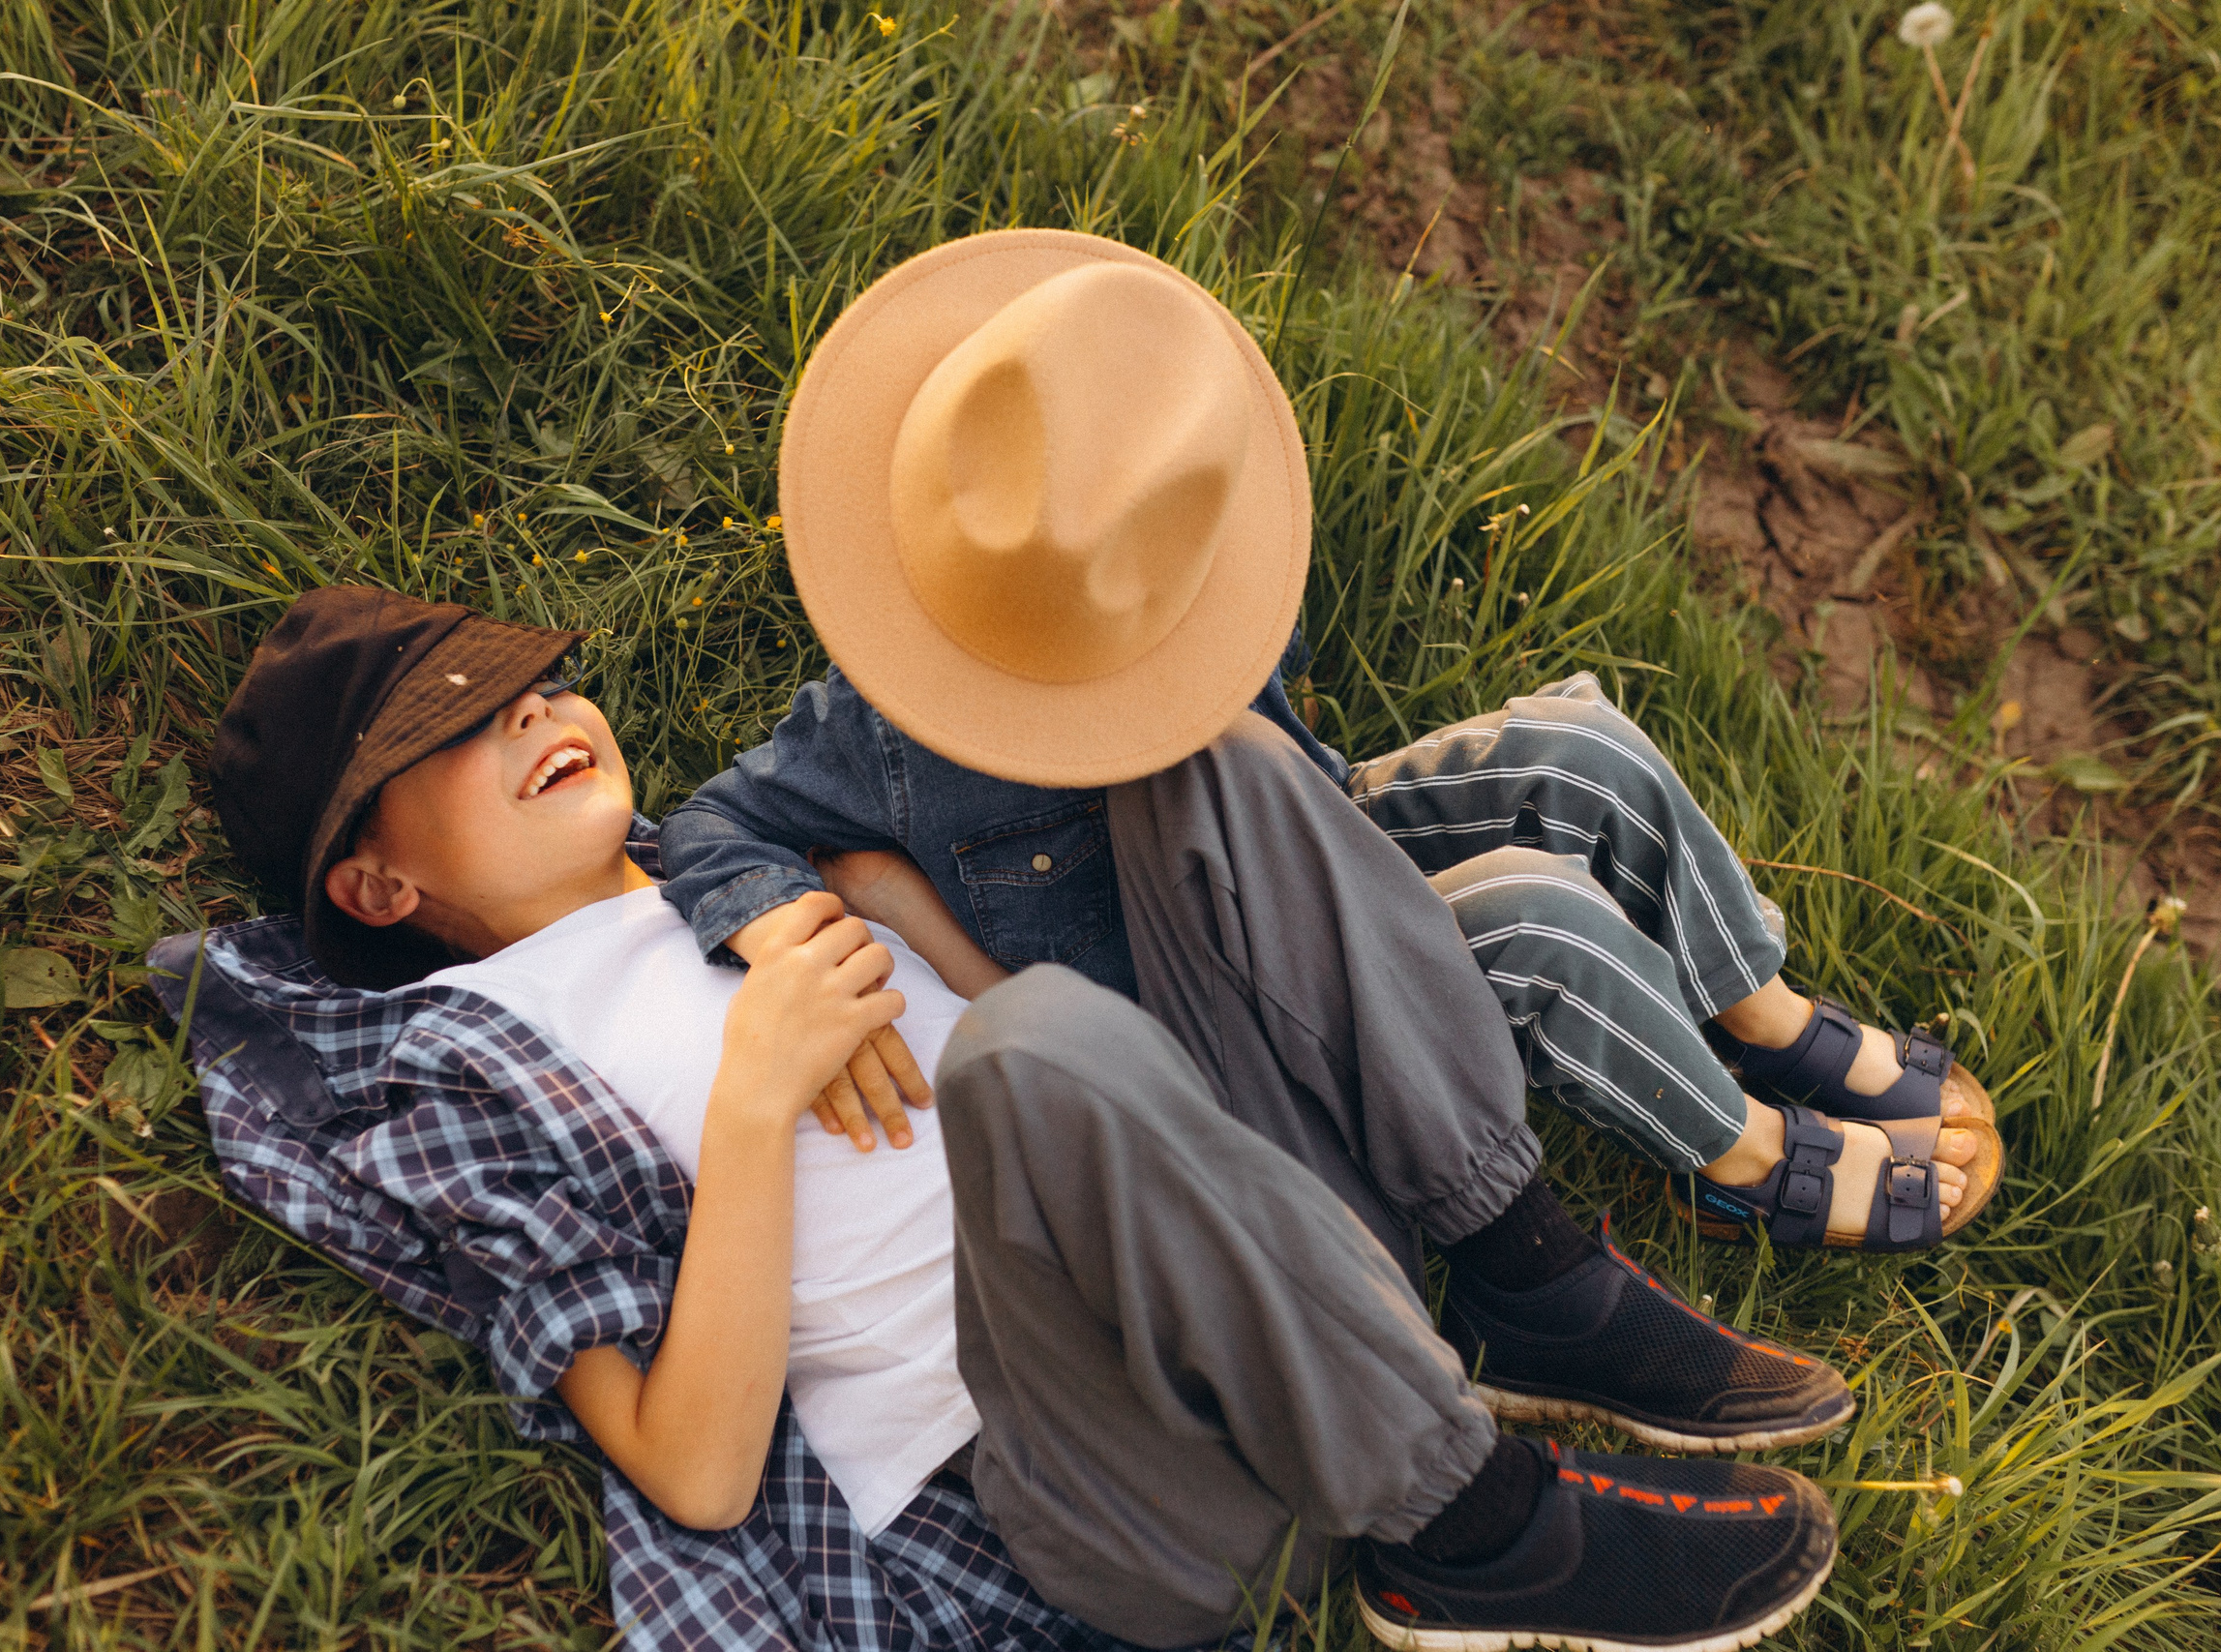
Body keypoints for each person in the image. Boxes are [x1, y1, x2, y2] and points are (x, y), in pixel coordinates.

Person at [164, 584, 1840, 1652]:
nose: (532, 713)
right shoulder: (456, 1064)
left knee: (1199, 759)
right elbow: (691, 1469)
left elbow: (1070, 1060)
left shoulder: (747, 867)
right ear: (375, 881)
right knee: (1034, 1045)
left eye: (526, 684)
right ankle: (1473, 1530)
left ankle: (1515, 1264)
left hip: (1276, 1251)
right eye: (459, 726)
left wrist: (894, 921)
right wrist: (757, 1098)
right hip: (1120, 1499)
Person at [657, 227, 2002, 1307]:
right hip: (1239, 1019)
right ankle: (1745, 1154)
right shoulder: (879, 735)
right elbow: (712, 828)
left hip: (1304, 846)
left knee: (1579, 753)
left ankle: (1756, 1009)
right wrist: (784, 925)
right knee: (1533, 922)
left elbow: (1294, 780)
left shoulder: (1179, 561)